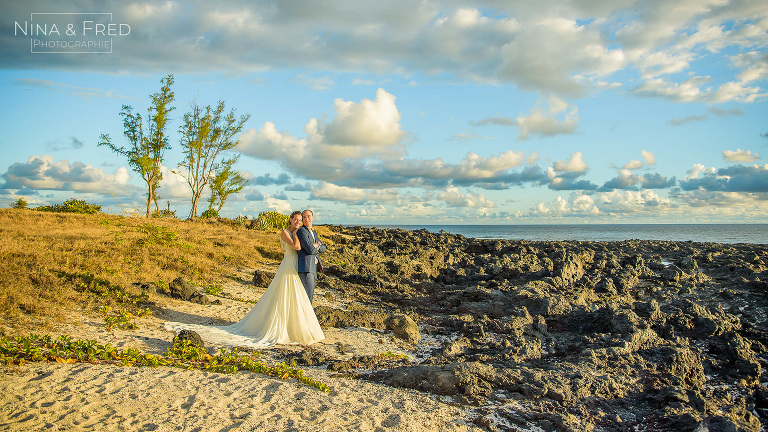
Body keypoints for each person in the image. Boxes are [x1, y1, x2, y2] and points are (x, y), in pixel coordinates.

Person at [164, 211, 324, 348]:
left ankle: (294, 326)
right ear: (290, 219)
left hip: (295, 266)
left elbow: (312, 246)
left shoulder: (302, 231)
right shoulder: (286, 232)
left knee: (294, 298)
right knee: (282, 296)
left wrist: (312, 243)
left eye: (300, 219)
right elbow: (297, 247)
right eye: (296, 219)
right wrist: (298, 235)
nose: (298, 221)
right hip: (288, 265)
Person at [296, 209, 326, 303]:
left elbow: (324, 248)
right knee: (307, 299)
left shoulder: (314, 232)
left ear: (312, 217)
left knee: (310, 297)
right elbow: (310, 250)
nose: (306, 219)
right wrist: (317, 246)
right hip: (306, 268)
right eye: (304, 217)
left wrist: (318, 246)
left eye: (308, 216)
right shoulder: (302, 231)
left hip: (313, 267)